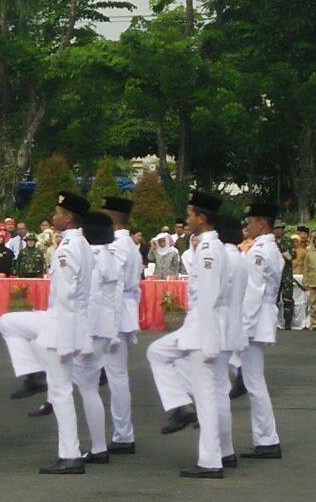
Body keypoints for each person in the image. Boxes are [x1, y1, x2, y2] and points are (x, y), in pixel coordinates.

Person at [0, 191, 94, 475]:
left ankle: (70, 455)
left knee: (61, 391)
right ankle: (34, 372)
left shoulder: (67, 249)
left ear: (69, 217)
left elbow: (65, 295)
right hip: (70, 323)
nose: (54, 216)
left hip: (63, 324)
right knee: (10, 323)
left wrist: (60, 337)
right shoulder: (82, 245)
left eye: (58, 212)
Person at [147, 190, 229, 478]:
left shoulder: (209, 250)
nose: (187, 219)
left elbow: (207, 296)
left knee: (206, 396)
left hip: (203, 330)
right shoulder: (206, 247)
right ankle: (181, 406)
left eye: (191, 214)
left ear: (202, 218)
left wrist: (207, 341)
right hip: (197, 327)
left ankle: (211, 461)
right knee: (156, 352)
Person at [71, 211, 120, 464]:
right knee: (88, 387)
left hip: (92, 328)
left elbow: (91, 298)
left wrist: (85, 336)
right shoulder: (109, 254)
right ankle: (99, 446)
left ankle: (99, 447)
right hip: (105, 326)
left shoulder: (94, 257)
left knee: (87, 388)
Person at [237, 202, 283, 460]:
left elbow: (253, 294)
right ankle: (267, 439)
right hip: (259, 318)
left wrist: (242, 329)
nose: (248, 226)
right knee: (253, 380)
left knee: (254, 382)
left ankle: (267, 440)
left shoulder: (260, 251)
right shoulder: (269, 248)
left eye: (251, 222)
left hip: (253, 321)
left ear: (262, 224)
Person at [101, 196, 142, 454]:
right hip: (124, 311)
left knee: (116, 377)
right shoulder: (128, 244)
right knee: (115, 376)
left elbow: (114, 287)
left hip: (115, 314)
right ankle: (122, 433)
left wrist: (112, 327)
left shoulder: (117, 245)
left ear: (114, 219)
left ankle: (123, 434)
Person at [214, 214, 249, 466]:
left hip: (219, 324)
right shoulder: (239, 256)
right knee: (220, 391)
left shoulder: (223, 257)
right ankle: (226, 450)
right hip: (234, 323)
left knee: (214, 391)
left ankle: (223, 450)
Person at [273, 220, 295, 330]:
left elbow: (291, 256)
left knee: (288, 300)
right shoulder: (270, 242)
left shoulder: (288, 241)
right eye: (276, 228)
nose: (278, 230)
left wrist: (278, 254)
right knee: (273, 301)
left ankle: (288, 323)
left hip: (286, 275)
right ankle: (273, 323)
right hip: (274, 276)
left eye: (280, 228)